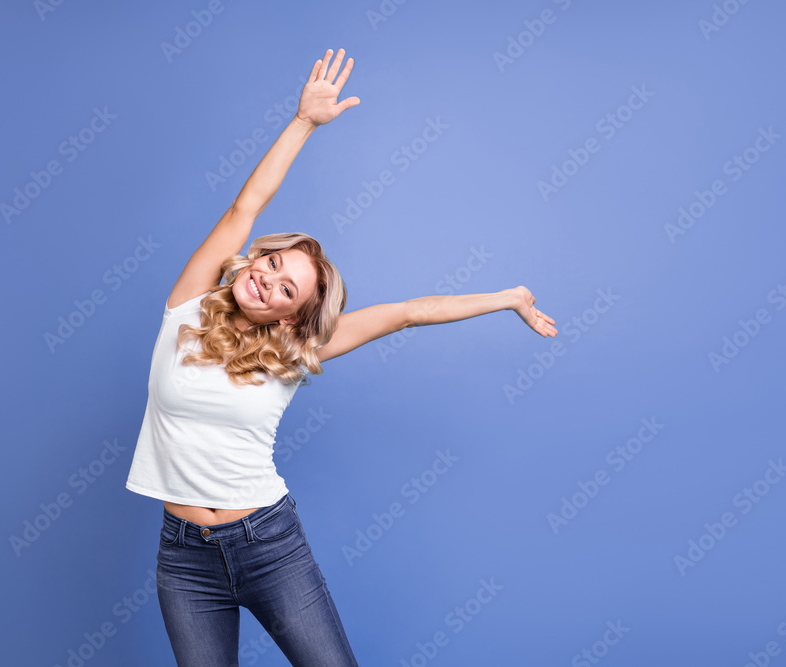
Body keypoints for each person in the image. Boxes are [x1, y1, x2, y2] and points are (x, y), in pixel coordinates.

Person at [125, 47, 557, 666]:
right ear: (255, 257)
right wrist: (303, 122)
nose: (268, 282)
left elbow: (409, 312)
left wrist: (508, 297)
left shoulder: (298, 350)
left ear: (292, 316)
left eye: (287, 290)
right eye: (272, 263)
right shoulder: (188, 307)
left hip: (269, 545)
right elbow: (243, 208)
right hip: (184, 555)